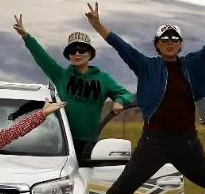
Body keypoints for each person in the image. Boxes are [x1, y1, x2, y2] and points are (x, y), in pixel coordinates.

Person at [81, 1, 205, 194]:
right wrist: (98, 24)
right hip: (154, 141)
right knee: (126, 183)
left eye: (174, 40)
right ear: (157, 45)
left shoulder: (194, 64)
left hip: (187, 142)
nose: (169, 43)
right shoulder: (146, 66)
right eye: (164, 40)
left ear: (180, 45)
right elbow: (121, 46)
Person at [13, 17, 135, 164]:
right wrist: (26, 37)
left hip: (90, 144)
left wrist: (120, 101)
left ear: (90, 54)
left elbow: (126, 94)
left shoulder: (104, 79)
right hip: (63, 143)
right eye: (73, 50)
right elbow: (41, 57)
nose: (77, 53)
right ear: (69, 55)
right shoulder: (60, 75)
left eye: (82, 50)